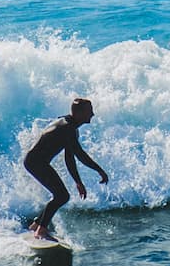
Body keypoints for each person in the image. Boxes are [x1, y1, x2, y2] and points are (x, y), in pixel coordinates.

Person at [24, 98, 108, 239]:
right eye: (89, 111)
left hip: (38, 162)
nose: (92, 114)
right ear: (79, 113)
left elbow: (70, 157)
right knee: (62, 196)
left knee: (61, 195)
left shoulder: (70, 127)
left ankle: (36, 225)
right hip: (35, 162)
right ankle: (40, 230)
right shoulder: (68, 128)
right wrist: (100, 170)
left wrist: (78, 182)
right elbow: (80, 155)